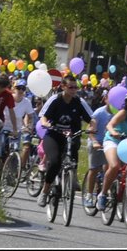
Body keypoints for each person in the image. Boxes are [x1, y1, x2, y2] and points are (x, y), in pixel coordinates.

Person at [36, 76, 92, 204]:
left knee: (73, 153)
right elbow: (43, 118)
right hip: (54, 135)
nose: (73, 90)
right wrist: (46, 124)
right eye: (70, 87)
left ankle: (72, 178)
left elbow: (91, 118)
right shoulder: (55, 100)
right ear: (63, 87)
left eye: (75, 87)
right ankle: (45, 192)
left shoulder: (79, 101)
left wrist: (91, 127)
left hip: (71, 136)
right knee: (55, 162)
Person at [95, 94, 127, 212]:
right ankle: (102, 195)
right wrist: (113, 132)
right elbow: (110, 125)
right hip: (113, 141)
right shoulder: (123, 114)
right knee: (114, 166)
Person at [83, 92, 113, 209]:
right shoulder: (99, 113)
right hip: (98, 142)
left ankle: (105, 193)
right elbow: (90, 130)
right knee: (94, 169)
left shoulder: (120, 114)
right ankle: (89, 195)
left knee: (109, 167)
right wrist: (95, 141)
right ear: (105, 99)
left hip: (110, 143)